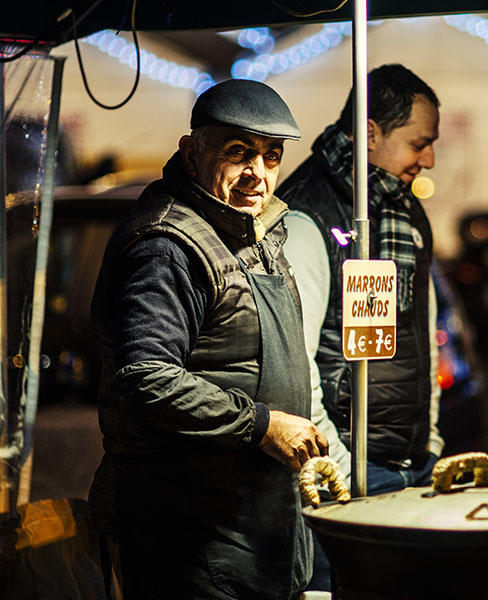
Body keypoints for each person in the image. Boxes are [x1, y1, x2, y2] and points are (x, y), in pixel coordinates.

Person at [88, 79, 328, 599]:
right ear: (192, 152)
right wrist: (262, 425)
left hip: (256, 520)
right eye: (239, 153)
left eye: (271, 157)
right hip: (190, 530)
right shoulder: (167, 246)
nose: (257, 175)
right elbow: (147, 380)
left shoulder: (255, 231)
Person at [278, 64, 444, 496]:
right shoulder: (306, 215)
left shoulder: (402, 207)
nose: (429, 160)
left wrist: (431, 438)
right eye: (419, 144)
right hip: (349, 472)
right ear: (369, 133)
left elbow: (422, 330)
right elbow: (294, 367)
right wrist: (340, 470)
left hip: (413, 462)